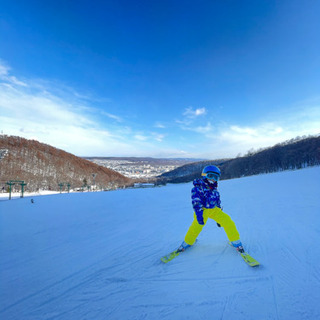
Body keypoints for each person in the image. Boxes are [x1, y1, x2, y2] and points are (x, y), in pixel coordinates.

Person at [178, 165, 245, 253]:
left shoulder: (214, 188)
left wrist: (219, 216)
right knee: (196, 227)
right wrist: (198, 215)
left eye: (216, 177)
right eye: (210, 176)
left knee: (228, 221)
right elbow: (196, 202)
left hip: (214, 210)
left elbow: (217, 201)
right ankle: (187, 243)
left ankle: (236, 242)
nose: (213, 179)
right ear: (204, 175)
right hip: (202, 211)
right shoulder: (198, 188)